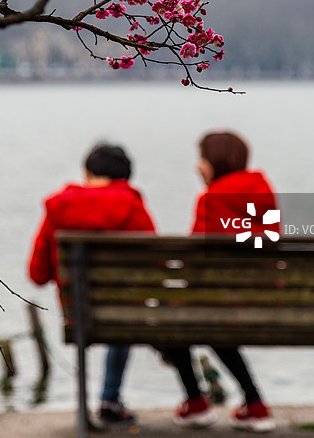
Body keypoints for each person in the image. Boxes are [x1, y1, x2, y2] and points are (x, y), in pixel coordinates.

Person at [28, 143, 156, 423]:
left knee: (111, 311)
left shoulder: (58, 207)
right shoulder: (132, 207)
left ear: (87, 174)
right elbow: (153, 267)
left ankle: (100, 404)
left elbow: (37, 274)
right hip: (123, 313)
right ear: (125, 178)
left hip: (78, 314)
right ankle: (109, 400)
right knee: (123, 312)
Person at [166, 130, 278, 433]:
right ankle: (254, 404)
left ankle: (195, 401)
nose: (198, 166)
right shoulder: (264, 193)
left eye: (202, 159)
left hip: (223, 304)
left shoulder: (211, 200)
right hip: (267, 304)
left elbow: (195, 266)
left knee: (170, 317)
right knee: (210, 315)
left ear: (217, 161)